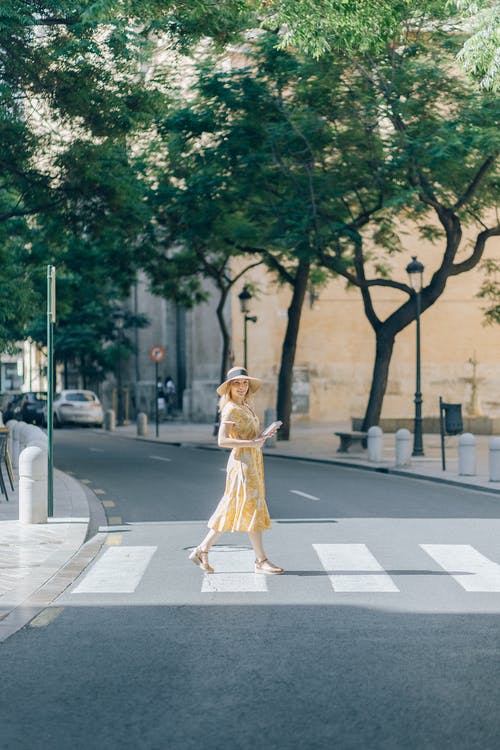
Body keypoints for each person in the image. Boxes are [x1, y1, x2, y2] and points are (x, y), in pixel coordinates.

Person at [189, 366, 284, 575]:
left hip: (252, 460)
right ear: (229, 387)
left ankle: (202, 549)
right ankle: (261, 560)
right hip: (243, 464)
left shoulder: (246, 406)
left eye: (244, 382)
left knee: (233, 507)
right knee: (253, 507)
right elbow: (222, 440)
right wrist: (252, 442)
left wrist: (263, 435)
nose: (241, 387)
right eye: (237, 383)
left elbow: (249, 436)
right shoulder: (231, 408)